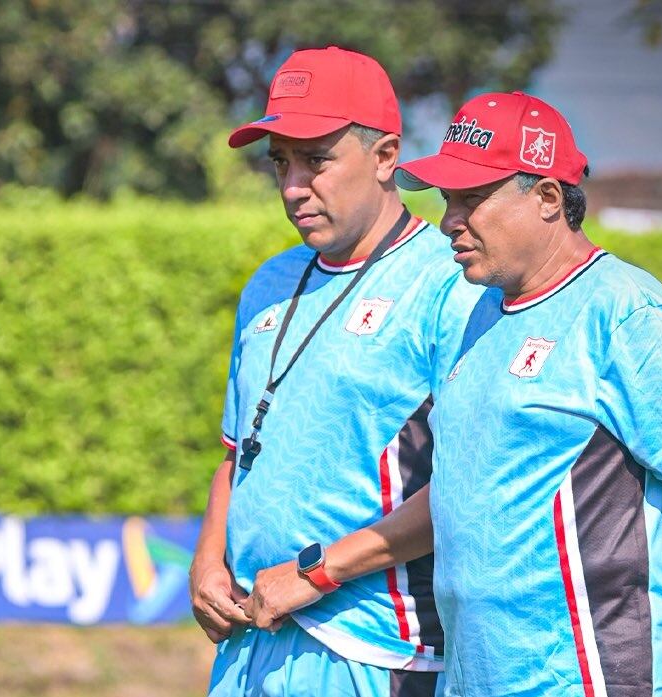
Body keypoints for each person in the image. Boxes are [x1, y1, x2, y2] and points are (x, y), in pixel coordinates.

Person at [394, 92, 662, 697]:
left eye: (472, 198)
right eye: (446, 199)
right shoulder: (478, 313)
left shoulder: (629, 314)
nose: (449, 220)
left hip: (594, 677)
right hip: (476, 677)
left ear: (547, 198)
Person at [188, 46, 483, 696]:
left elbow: (474, 486)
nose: (293, 186)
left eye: (316, 160)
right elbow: (238, 455)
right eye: (280, 162)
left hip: (377, 651)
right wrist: (207, 562)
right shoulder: (268, 283)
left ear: (385, 157)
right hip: (250, 639)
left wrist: (317, 572)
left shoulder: (451, 284)